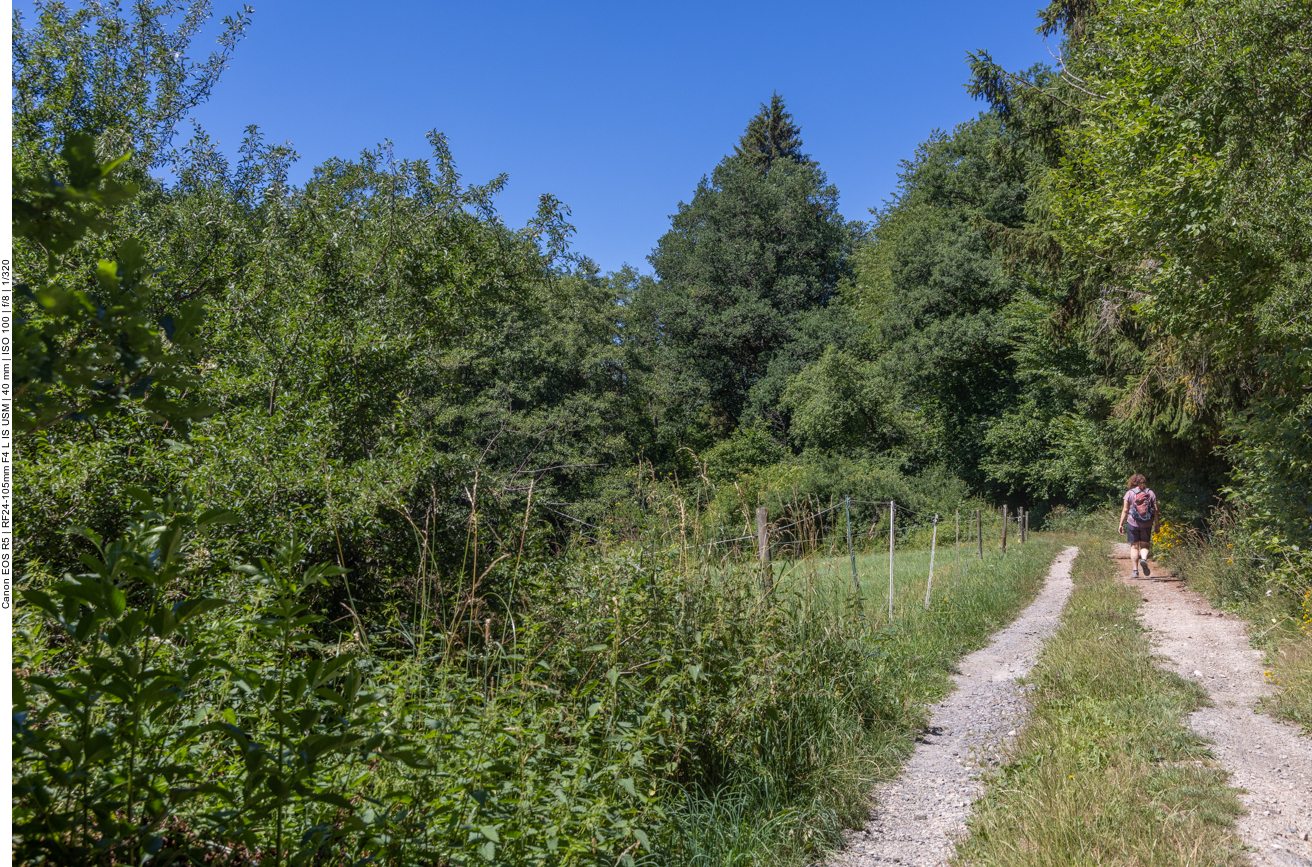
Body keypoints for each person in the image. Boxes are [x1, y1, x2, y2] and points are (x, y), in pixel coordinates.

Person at [1117, 473, 1159, 578]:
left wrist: (1121, 524)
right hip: (1147, 522)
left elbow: (1125, 510)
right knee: (1144, 545)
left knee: (1134, 547)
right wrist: (1157, 525)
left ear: (1132, 482)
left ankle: (1135, 571)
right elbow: (1156, 510)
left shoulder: (1129, 493)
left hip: (1132, 522)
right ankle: (1144, 559)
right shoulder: (1150, 493)